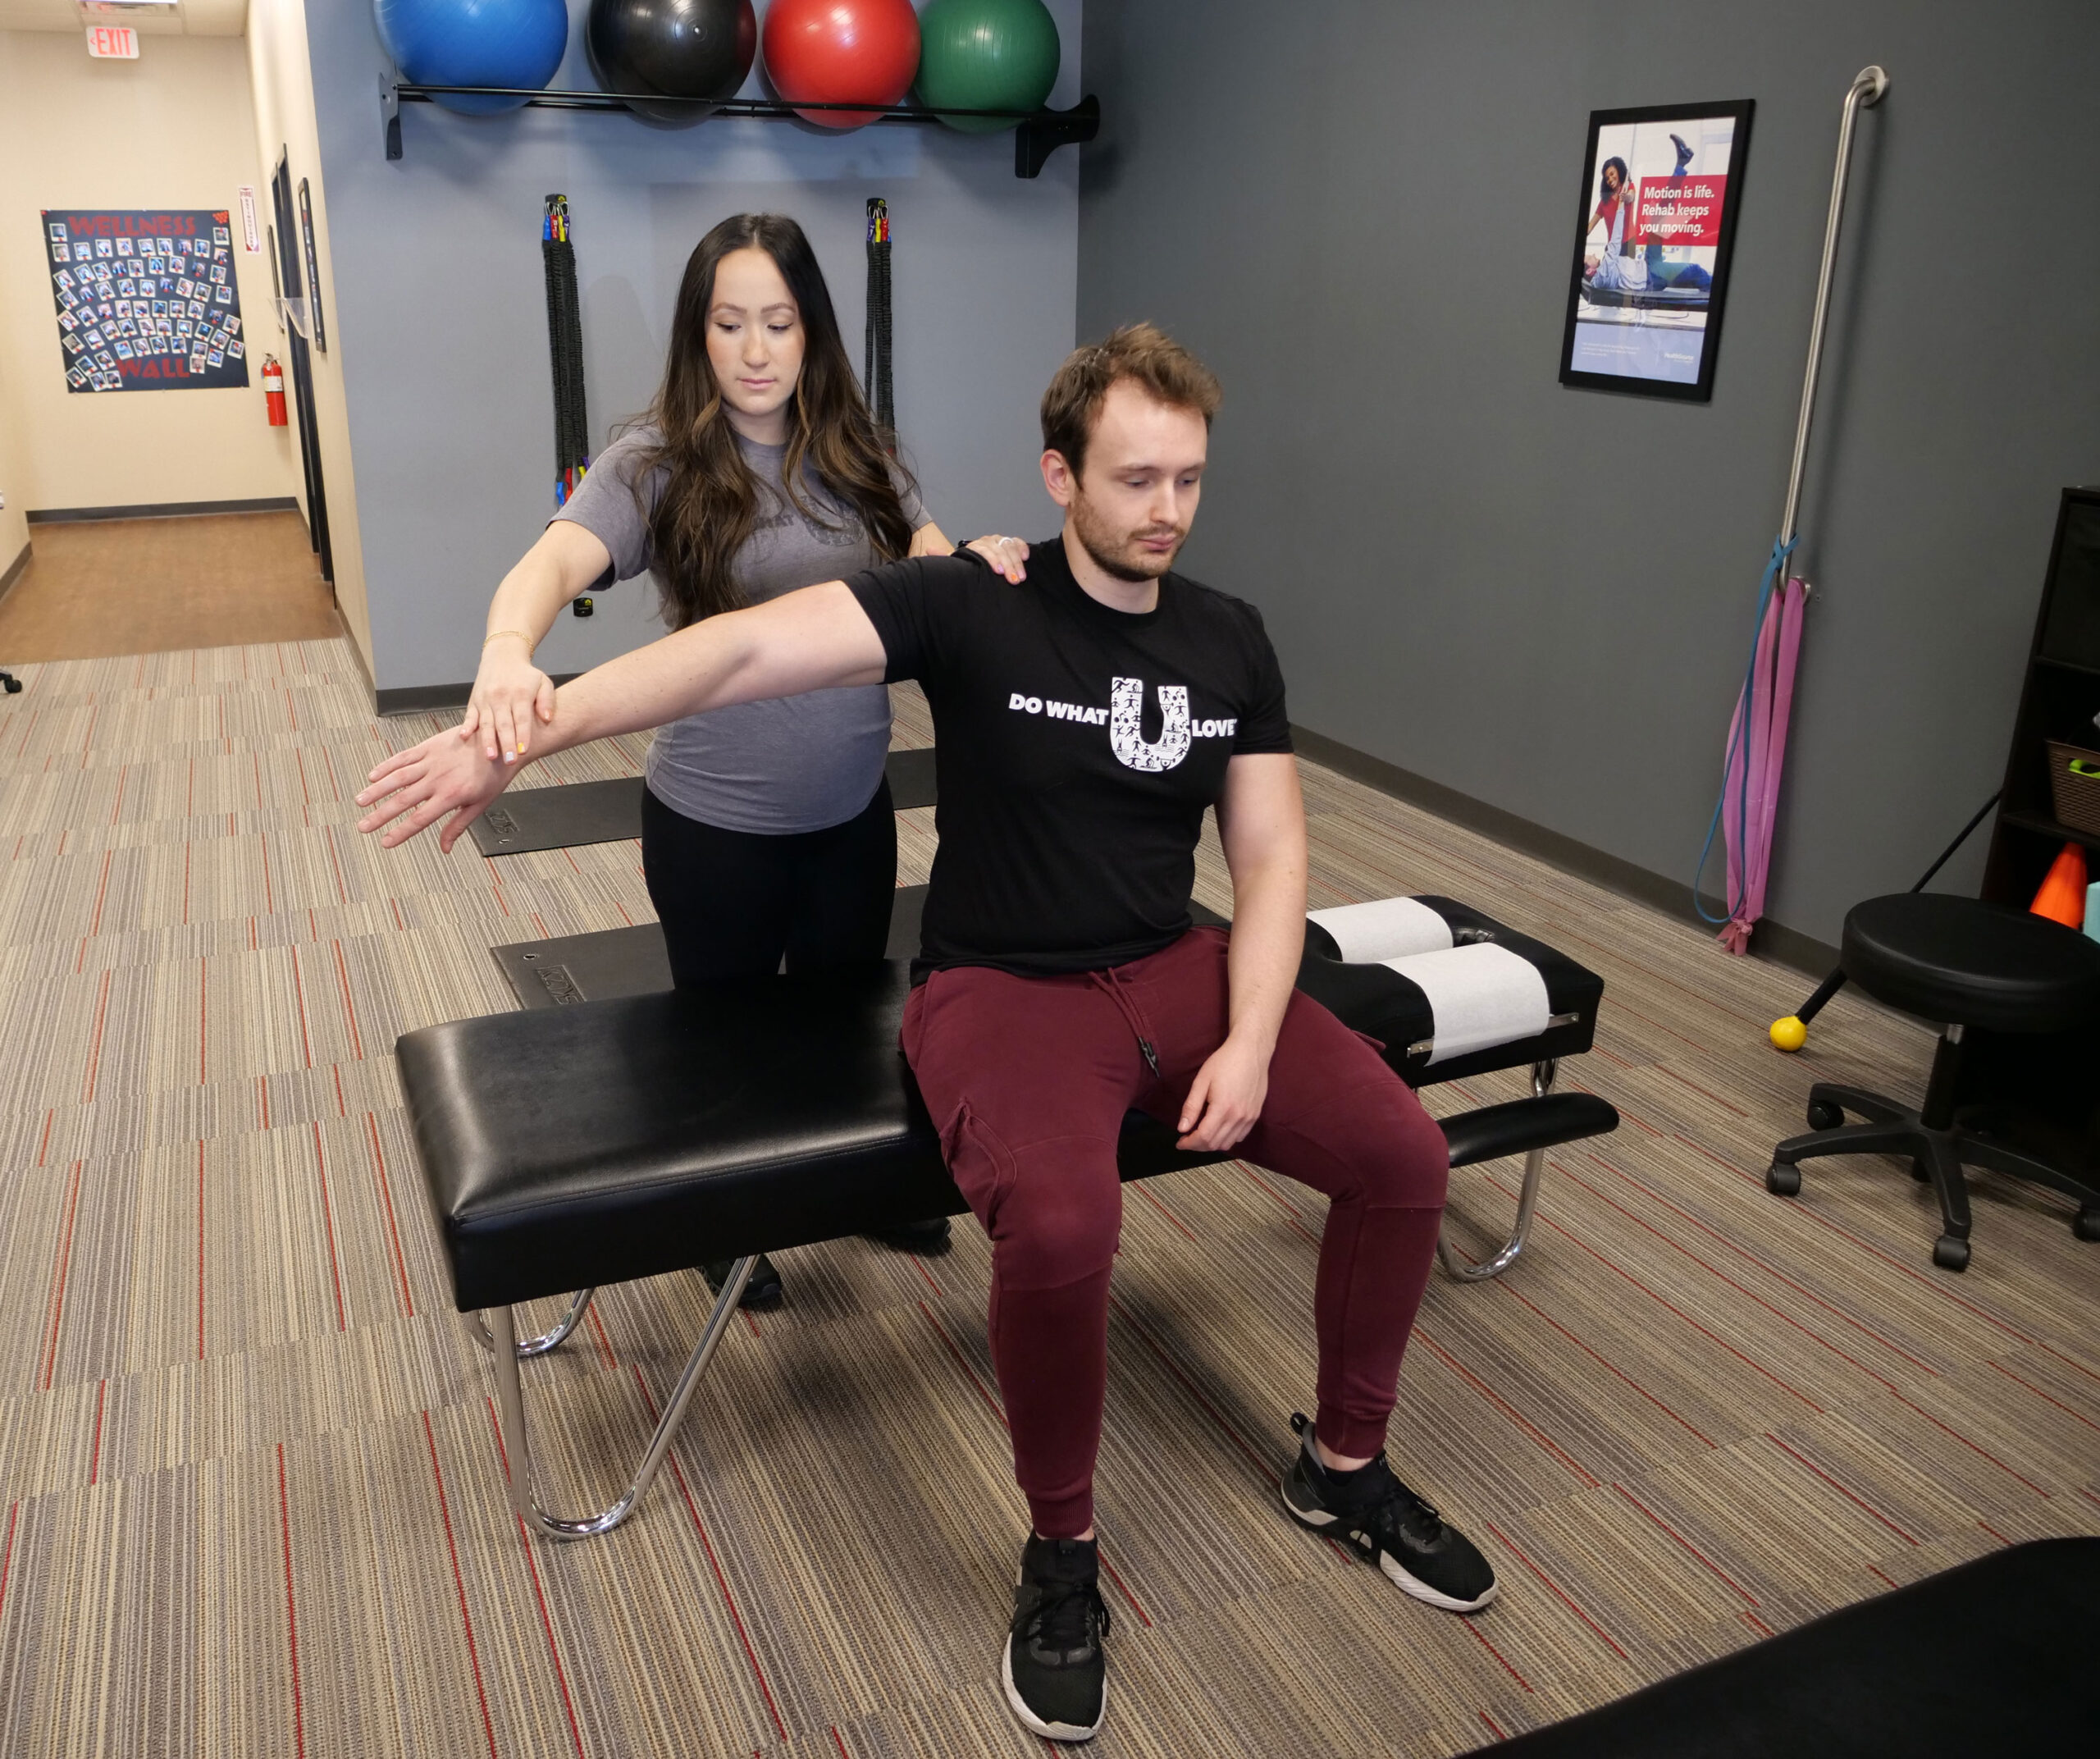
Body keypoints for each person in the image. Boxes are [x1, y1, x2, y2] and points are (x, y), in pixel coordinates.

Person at [360, 323, 1497, 1744]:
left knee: (1401, 1150)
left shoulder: (1228, 635)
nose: (1165, 508)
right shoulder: (974, 604)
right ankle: (1062, 1552)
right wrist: (521, 728)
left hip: (1178, 967)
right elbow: (737, 652)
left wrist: (1255, 1035)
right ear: (1058, 474)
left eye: (1189, 478)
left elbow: (1269, 860)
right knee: (1069, 1223)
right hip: (1000, 990)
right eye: (1134, 476)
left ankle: (1345, 1461)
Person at [460, 212, 1026, 1308]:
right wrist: (502, 652)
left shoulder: (864, 456)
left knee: (844, 1021)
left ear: (812, 330)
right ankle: (722, 1223)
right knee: (717, 1042)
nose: (757, 349)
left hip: (849, 808)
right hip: (713, 821)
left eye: (779, 322)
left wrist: (984, 558)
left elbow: (934, 571)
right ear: (699, 332)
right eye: (731, 323)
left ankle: (861, 1190)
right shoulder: (655, 461)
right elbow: (549, 563)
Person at [1583, 135, 1712, 297]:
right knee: (1696, 270)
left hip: (1646, 264)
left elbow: (1630, 196)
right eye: (1589, 256)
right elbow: (1615, 240)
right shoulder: (1602, 273)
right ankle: (1717, 288)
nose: (1593, 254)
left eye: (1612, 174)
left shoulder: (1603, 270)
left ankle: (1681, 163)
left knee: (1658, 214)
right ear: (1590, 269)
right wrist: (1622, 203)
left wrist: (1625, 196)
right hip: (1652, 274)